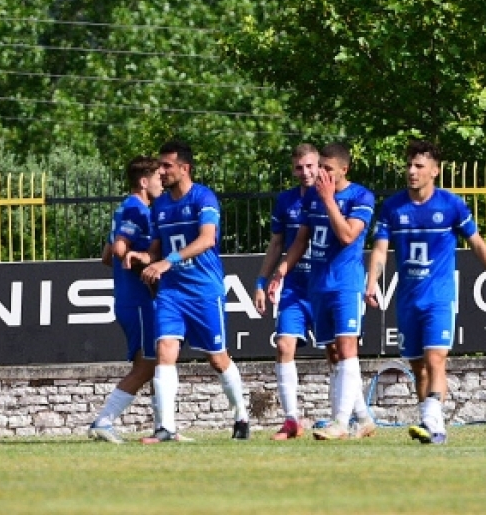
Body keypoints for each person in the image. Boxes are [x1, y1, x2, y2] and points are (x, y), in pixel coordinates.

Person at [364, 139, 486, 445]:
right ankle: (432, 427)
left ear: (435, 171)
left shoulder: (451, 205)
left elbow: (476, 243)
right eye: (409, 165)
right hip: (408, 299)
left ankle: (432, 422)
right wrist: (371, 281)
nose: (412, 171)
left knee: (436, 358)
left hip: (439, 297)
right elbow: (380, 249)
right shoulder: (392, 207)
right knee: (418, 367)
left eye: (419, 166)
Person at [124, 140, 250, 443]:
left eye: (167, 165)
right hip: (171, 292)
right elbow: (157, 249)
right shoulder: (161, 206)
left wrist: (168, 261)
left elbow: (207, 239)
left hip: (204, 290)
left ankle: (241, 416)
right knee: (165, 351)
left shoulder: (203, 198)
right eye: (160, 166)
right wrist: (143, 257)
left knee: (218, 359)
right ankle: (165, 427)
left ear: (185, 168)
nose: (161, 171)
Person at [272, 142, 377, 440]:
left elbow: (347, 236)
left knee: (347, 347)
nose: (321, 174)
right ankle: (363, 418)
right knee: (333, 352)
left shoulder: (361, 197)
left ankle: (341, 423)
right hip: (318, 285)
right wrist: (281, 272)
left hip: (346, 283)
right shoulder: (312, 197)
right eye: (321, 168)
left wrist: (329, 200)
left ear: (344, 169)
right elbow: (300, 240)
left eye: (327, 169)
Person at [87, 156, 163, 444]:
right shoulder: (137, 210)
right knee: (147, 366)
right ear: (144, 182)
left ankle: (164, 426)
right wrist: (144, 265)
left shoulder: (123, 209)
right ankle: (103, 421)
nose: (162, 183)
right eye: (157, 178)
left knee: (159, 361)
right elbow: (119, 250)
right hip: (139, 301)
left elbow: (106, 257)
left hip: (127, 298)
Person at [252, 143, 321, 440]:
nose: (305, 172)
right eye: (299, 167)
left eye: (310, 166)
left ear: (320, 166)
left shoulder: (334, 198)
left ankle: (352, 416)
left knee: (338, 351)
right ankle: (292, 419)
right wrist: (261, 281)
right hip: (293, 286)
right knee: (283, 345)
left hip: (325, 284)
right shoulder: (286, 201)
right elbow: (277, 243)